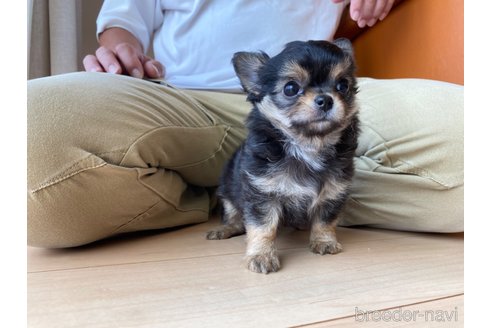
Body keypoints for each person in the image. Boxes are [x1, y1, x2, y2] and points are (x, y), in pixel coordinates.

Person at [27, 0, 463, 248]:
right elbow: (122, 23)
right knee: (30, 138)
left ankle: (293, 200)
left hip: (328, 100)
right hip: (175, 98)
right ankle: (214, 196)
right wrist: (121, 53)